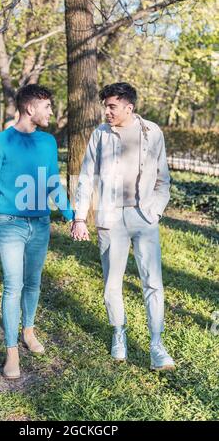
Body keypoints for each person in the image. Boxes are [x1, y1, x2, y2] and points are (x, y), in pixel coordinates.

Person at [71, 82, 175, 371]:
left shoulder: (152, 132)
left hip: (144, 218)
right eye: (105, 105)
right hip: (110, 219)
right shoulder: (100, 134)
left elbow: (163, 179)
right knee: (111, 283)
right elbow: (86, 179)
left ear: (129, 107)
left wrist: (154, 211)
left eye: (112, 106)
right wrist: (80, 217)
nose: (106, 111)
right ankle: (119, 334)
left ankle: (157, 345)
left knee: (152, 282)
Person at [0, 84, 74, 379]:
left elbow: (52, 184)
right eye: (47, 106)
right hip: (10, 224)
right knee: (13, 285)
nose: (51, 112)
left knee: (33, 282)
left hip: (41, 224)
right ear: (30, 108)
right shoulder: (0, 142)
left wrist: (72, 216)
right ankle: (11, 352)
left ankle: (28, 331)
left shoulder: (47, 143)